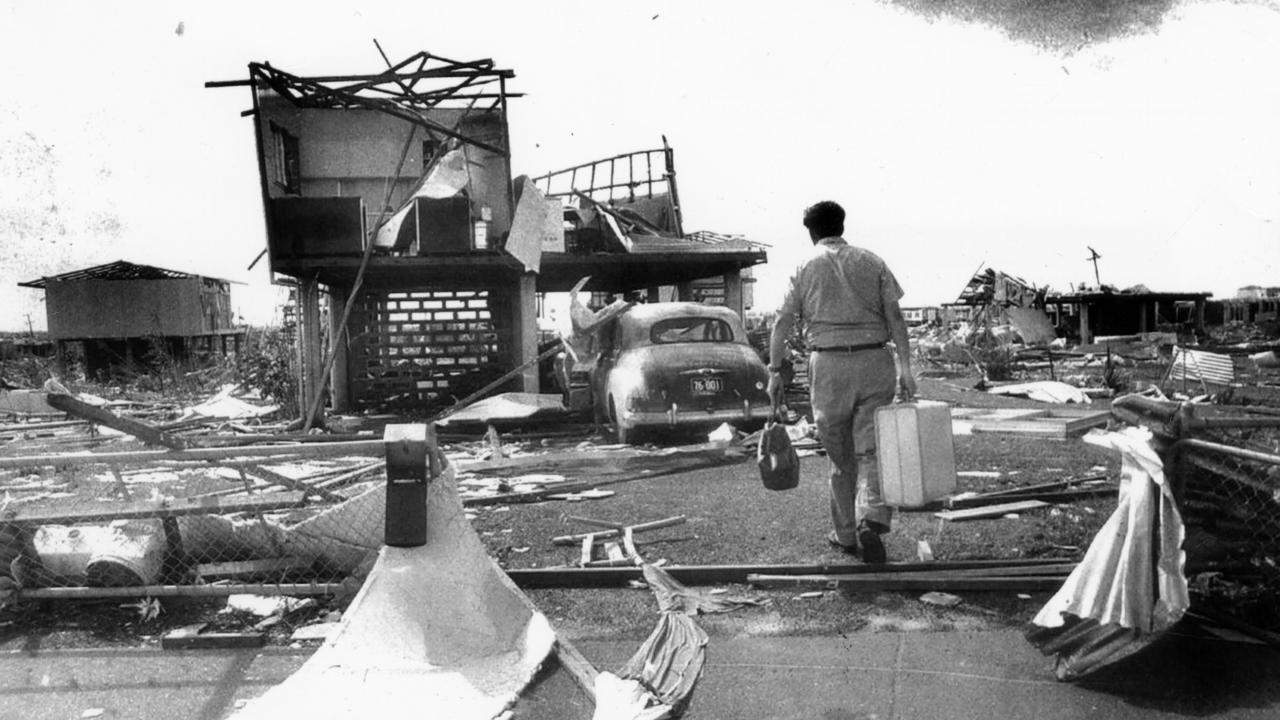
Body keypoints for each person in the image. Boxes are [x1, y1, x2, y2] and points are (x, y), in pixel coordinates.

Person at [767, 200, 916, 564]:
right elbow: (895, 317)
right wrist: (906, 368)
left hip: (829, 364)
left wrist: (774, 371)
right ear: (842, 225)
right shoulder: (872, 261)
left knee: (839, 455)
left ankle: (846, 534)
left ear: (811, 231)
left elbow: (782, 323)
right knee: (873, 451)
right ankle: (873, 519)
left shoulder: (804, 267)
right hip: (874, 360)